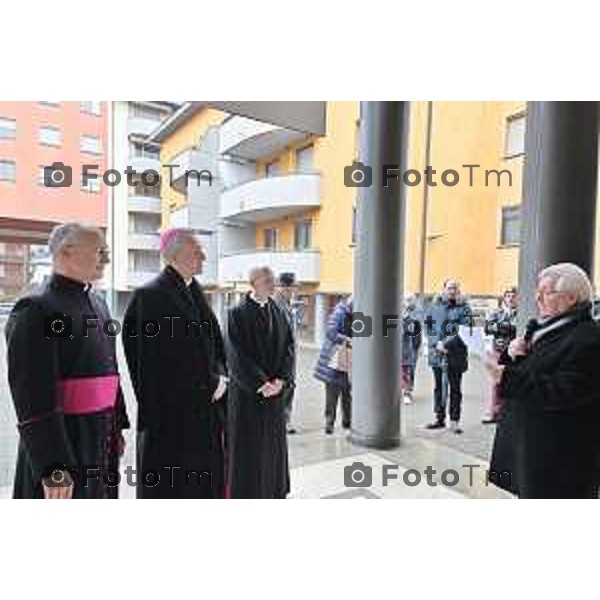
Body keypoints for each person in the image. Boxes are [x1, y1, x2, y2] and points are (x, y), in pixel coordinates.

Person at [5, 223, 129, 499]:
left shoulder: (99, 303)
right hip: (65, 441)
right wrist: (53, 465)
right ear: (67, 251)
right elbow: (31, 397)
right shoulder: (35, 308)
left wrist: (116, 425)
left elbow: (112, 369)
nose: (106, 259)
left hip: (101, 434)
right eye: (100, 252)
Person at [123, 228, 227, 499]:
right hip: (171, 420)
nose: (204, 257)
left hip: (204, 413)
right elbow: (148, 368)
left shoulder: (194, 291)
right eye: (197, 252)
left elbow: (215, 345)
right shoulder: (149, 297)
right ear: (176, 255)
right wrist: (208, 383)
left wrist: (221, 378)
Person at [488, 263, 600, 499]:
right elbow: (531, 370)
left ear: (571, 297)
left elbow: (565, 391)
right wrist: (511, 354)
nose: (537, 298)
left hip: (559, 458)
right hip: (532, 448)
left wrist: (508, 377)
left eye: (546, 292)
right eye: (537, 291)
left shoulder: (588, 339)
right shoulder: (545, 329)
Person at [226, 266, 295, 499]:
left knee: (272, 448)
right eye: (267, 280)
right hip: (248, 396)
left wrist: (281, 381)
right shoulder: (236, 313)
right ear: (253, 282)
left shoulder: (279, 311)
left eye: (272, 280)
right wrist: (261, 383)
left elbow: (288, 349)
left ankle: (273, 490)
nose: (272, 284)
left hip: (274, 394)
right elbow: (234, 354)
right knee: (248, 449)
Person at [424, 280, 472, 434]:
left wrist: (446, 344)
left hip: (455, 354)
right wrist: (436, 343)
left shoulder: (464, 308)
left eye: (455, 288)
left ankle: (454, 421)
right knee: (439, 387)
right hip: (437, 353)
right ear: (443, 289)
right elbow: (428, 326)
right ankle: (439, 418)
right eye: (449, 288)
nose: (452, 290)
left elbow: (464, 330)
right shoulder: (434, 306)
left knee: (455, 388)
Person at [314, 296, 353, 434]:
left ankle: (347, 421)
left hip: (349, 357)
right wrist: (347, 339)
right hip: (334, 358)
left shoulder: (357, 314)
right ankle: (329, 422)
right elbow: (330, 333)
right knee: (333, 392)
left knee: (348, 391)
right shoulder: (339, 312)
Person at [482, 287, 518, 424]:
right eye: (508, 295)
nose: (510, 298)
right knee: (496, 382)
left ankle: (507, 413)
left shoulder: (520, 312)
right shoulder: (497, 312)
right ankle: (493, 412)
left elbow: (517, 328)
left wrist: (502, 327)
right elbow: (488, 327)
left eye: (513, 295)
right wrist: (506, 327)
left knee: (511, 381)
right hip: (498, 350)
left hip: (514, 353)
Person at [274, 272, 298, 434]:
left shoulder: (288, 304)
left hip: (290, 355)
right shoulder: (276, 304)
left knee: (289, 388)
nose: (292, 290)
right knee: (283, 389)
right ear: (282, 287)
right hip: (281, 356)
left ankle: (285, 420)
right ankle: (280, 422)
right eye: (289, 288)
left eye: (292, 288)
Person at [401, 295, 422, 405]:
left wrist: (418, 346)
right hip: (404, 347)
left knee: (409, 369)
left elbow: (417, 332)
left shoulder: (415, 315)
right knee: (405, 370)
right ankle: (405, 390)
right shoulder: (401, 316)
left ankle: (407, 391)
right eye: (407, 300)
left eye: (410, 300)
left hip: (411, 347)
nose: (408, 303)